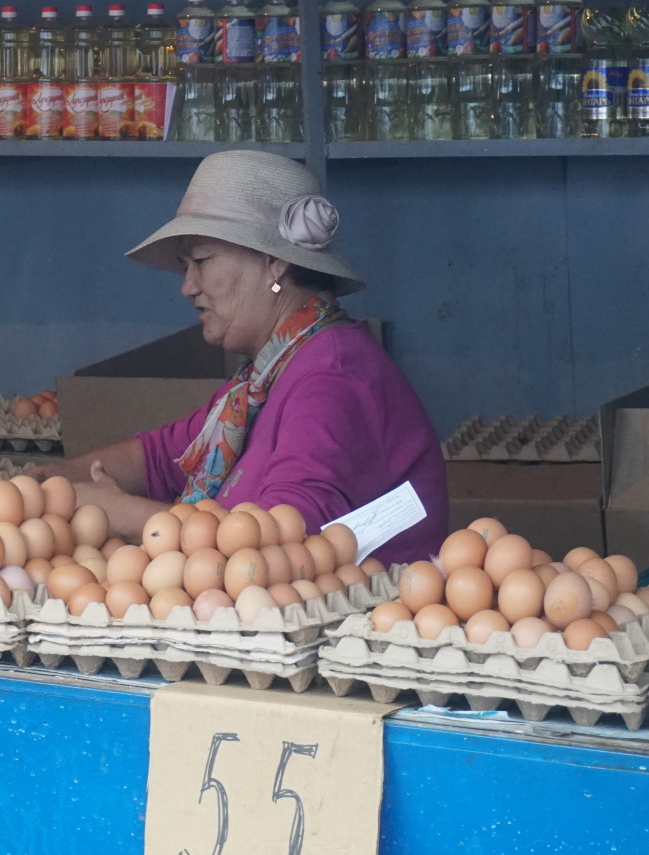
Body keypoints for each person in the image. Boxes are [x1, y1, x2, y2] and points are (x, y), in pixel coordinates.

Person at [34, 151, 447, 565]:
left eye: (201, 261)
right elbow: (160, 458)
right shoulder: (261, 381)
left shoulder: (331, 378)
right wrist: (48, 484)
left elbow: (278, 549)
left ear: (274, 264)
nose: (187, 287)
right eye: (186, 267)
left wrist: (124, 514)